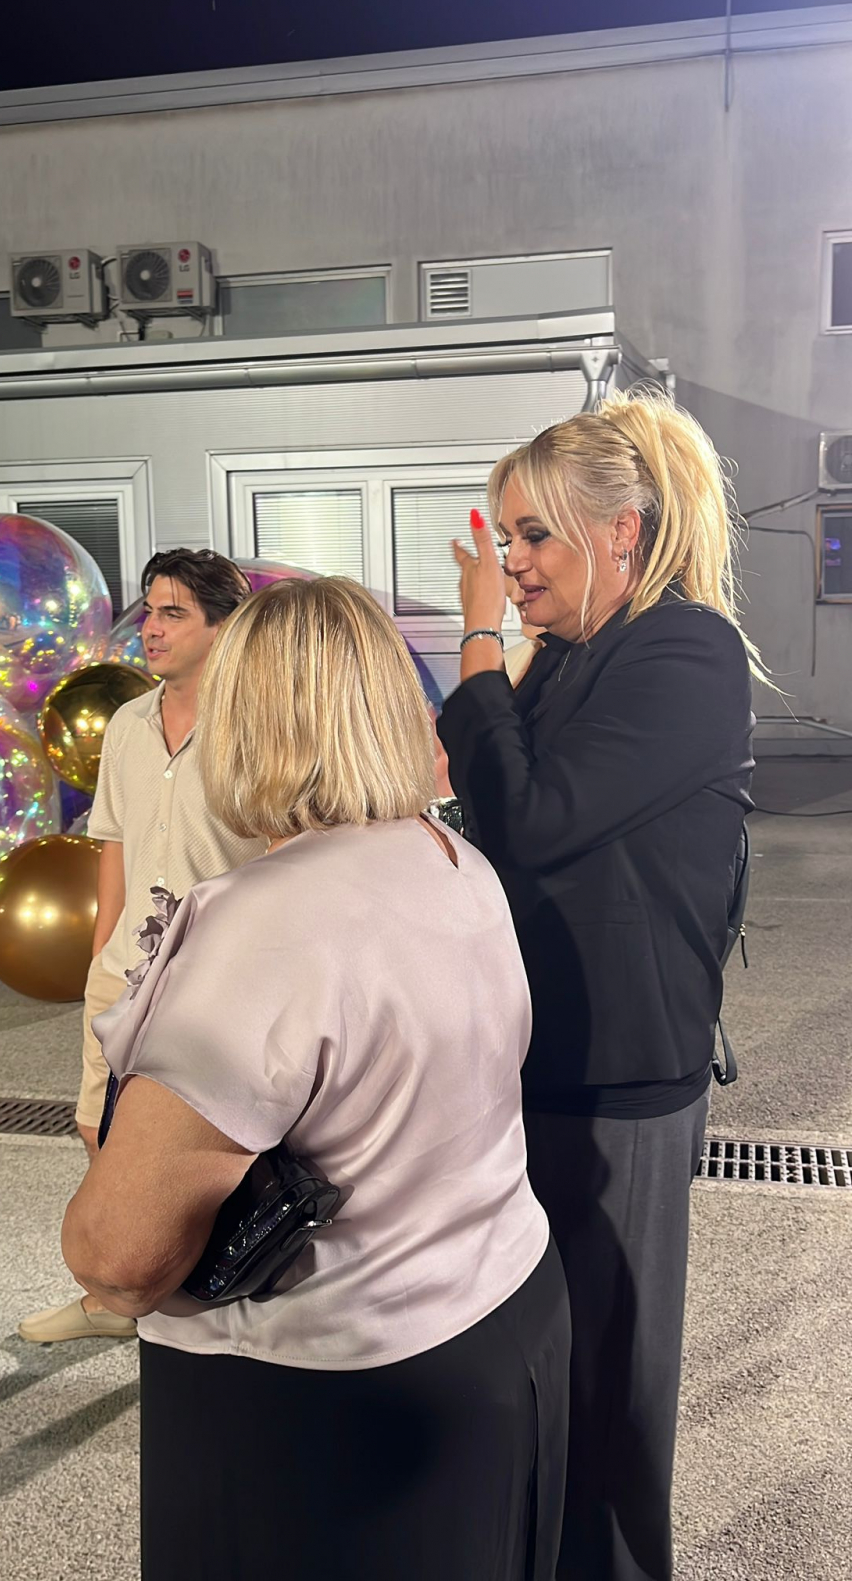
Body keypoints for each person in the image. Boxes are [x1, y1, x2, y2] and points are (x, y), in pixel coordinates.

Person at [60, 576, 570, 1581]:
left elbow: (119, 1259)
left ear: (243, 724)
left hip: (332, 1392)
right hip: (503, 1314)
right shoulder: (454, 859)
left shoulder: (265, 917)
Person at [436, 390, 757, 1581]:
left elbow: (530, 818)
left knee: (609, 1386)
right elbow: (482, 798)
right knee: (541, 1373)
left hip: (620, 1070)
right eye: (505, 537)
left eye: (534, 535)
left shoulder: (684, 649)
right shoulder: (574, 656)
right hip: (537, 1056)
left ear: (622, 531)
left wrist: (479, 641)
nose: (512, 561)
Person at [19, 548, 263, 1345]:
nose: (150, 629)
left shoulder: (258, 725)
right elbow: (114, 845)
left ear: (221, 628)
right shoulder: (127, 723)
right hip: (125, 965)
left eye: (173, 614)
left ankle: (199, 1296)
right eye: (150, 611)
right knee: (98, 1126)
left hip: (213, 977)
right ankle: (118, 1299)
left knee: (197, 1146)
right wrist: (103, 957)